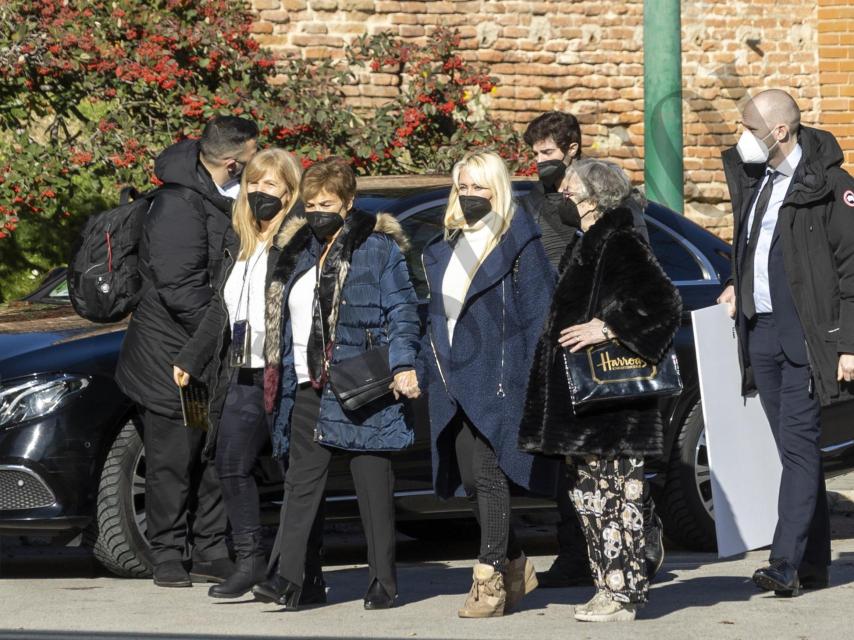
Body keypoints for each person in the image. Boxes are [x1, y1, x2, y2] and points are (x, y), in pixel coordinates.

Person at [251, 157, 421, 611]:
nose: (317, 212)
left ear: (348, 204)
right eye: (310, 204)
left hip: (361, 384)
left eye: (326, 203)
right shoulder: (300, 248)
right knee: (300, 487)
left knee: (372, 487)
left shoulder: (378, 249)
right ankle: (288, 579)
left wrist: (404, 364)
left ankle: (383, 581)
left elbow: (403, 311)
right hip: (308, 385)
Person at [520, 158, 682, 622]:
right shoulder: (586, 243)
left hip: (616, 408)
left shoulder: (619, 240)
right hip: (587, 408)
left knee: (618, 499)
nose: (562, 198)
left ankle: (624, 593)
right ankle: (607, 587)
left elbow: (663, 302)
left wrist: (606, 327)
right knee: (591, 501)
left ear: (593, 197)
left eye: (569, 191)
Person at [716, 89, 854, 596]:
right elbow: (755, 250)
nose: (740, 138)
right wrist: (737, 284)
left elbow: (851, 267)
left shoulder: (830, 185)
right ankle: (814, 563)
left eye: (747, 127)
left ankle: (785, 562)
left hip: (807, 339)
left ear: (779, 132)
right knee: (796, 453)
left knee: (799, 449)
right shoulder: (758, 182)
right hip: (763, 334)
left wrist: (848, 344)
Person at [172, 148, 326, 600]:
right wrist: (190, 358)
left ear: (290, 192)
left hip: (286, 373)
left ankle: (300, 572)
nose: (260, 192)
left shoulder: (299, 243)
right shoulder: (240, 242)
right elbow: (222, 310)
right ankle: (250, 559)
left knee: (297, 474)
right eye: (254, 183)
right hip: (243, 372)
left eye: (271, 185)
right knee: (230, 463)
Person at [115, 115, 258, 588]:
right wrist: (223, 331)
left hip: (205, 355)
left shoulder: (221, 198)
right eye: (254, 155)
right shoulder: (179, 204)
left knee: (211, 451)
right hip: (173, 359)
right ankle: (169, 553)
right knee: (174, 457)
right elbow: (180, 287)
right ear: (234, 162)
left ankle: (211, 546)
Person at [420, 150, 558, 618]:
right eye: (463, 186)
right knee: (470, 480)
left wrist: (535, 379)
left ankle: (488, 579)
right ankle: (517, 562)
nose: (471, 194)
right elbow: (439, 317)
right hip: (454, 377)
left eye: (480, 186)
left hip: (501, 378)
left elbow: (543, 313)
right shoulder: (445, 246)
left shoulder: (520, 241)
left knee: (487, 472)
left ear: (498, 189)